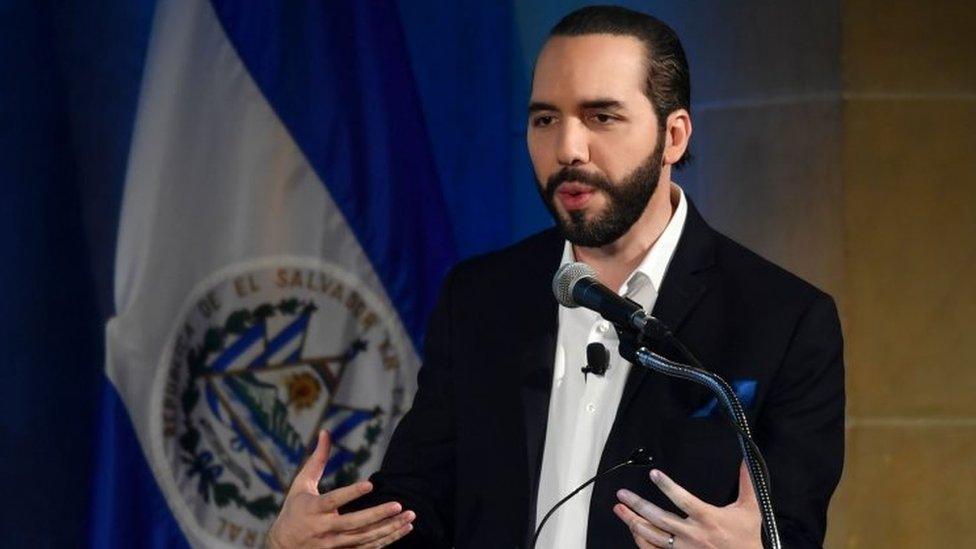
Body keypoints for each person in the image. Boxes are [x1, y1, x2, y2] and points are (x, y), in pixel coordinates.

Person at [268, 6, 845, 548]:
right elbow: (421, 505)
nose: (567, 148)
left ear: (673, 136)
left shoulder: (783, 319)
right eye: (546, 119)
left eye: (602, 116)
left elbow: (789, 527)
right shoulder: (480, 297)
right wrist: (329, 539)